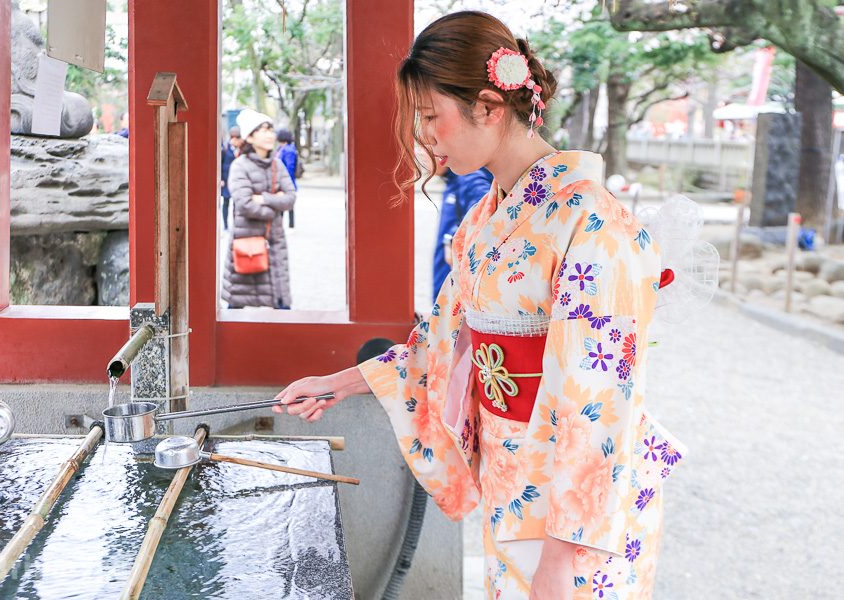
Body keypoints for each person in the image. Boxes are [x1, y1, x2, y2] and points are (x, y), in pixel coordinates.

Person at [273, 11, 685, 599]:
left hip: (582, 513)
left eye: (431, 116)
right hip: (512, 474)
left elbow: (601, 396)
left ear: (490, 106)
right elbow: (440, 342)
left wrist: (562, 558)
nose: (425, 137)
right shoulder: (485, 218)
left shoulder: (593, 222)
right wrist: (341, 382)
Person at [222, 109, 296, 309]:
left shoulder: (277, 165)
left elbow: (290, 198)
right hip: (248, 243)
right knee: (241, 302)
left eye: (271, 130)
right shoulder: (240, 166)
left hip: (275, 242)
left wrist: (263, 198)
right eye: (264, 130)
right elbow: (245, 204)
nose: (270, 134)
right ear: (250, 136)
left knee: (278, 300)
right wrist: (274, 207)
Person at [432, 165, 493, 299]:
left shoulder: (469, 176)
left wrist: (451, 238)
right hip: (447, 292)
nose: (421, 153)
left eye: (427, 146)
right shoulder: (455, 179)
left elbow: (484, 212)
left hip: (456, 297)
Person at [220, 126, 242, 230]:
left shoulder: (241, 150)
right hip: (226, 179)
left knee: (236, 204)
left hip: (237, 181)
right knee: (226, 203)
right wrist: (220, 179)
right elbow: (220, 164)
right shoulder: (224, 149)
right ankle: (225, 225)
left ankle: (235, 224)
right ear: (233, 138)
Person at [276, 128, 298, 228]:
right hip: (281, 179)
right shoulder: (282, 148)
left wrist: (286, 181)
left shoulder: (288, 150)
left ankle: (290, 225)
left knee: (288, 203)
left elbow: (290, 167)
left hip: (286, 180)